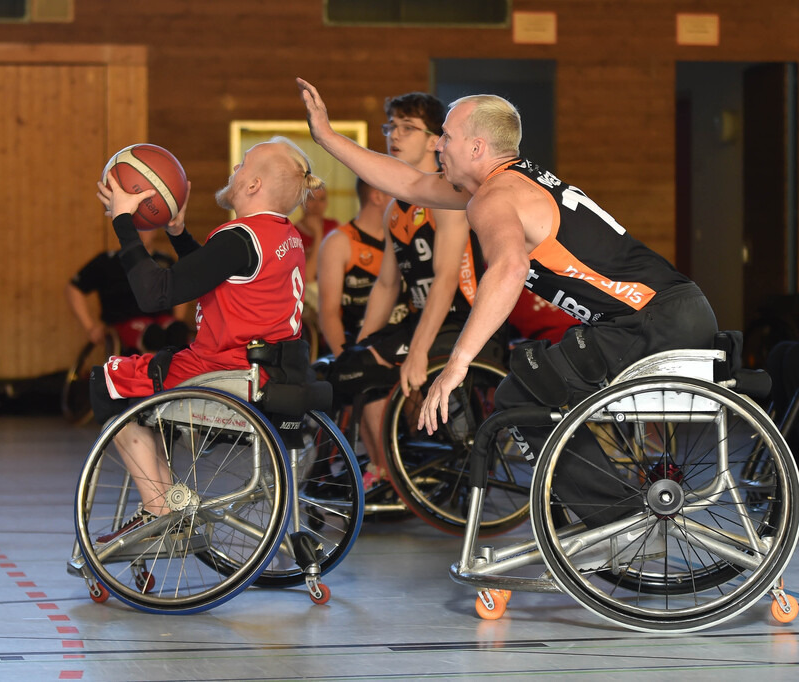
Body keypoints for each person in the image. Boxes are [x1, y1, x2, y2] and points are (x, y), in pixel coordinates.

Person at [297, 78, 718, 528]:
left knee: (521, 392)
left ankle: (619, 517)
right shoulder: (507, 182)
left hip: (652, 320)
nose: (439, 144)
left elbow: (510, 268)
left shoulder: (494, 198)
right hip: (668, 311)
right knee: (531, 385)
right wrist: (325, 136)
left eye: (448, 137)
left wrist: (458, 363)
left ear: (477, 148)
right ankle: (617, 508)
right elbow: (412, 182)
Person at [90, 136, 323, 523]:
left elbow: (155, 294)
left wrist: (124, 223)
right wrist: (179, 233)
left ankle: (158, 506)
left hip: (223, 371)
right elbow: (214, 274)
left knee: (108, 381)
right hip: (274, 373)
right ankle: (167, 500)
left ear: (253, 186)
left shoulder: (237, 238)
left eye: (243, 164)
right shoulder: (284, 235)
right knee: (147, 377)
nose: (235, 168)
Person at [325, 91, 498, 491]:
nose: (394, 135)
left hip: (464, 321)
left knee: (362, 367)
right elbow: (387, 284)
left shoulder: (448, 195)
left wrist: (417, 351)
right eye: (391, 127)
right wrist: (364, 339)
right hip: (428, 321)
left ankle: (393, 476)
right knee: (350, 366)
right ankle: (387, 469)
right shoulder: (395, 207)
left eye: (407, 128)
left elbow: (445, 280)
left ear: (436, 138)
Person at [65, 229, 193, 355]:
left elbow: (179, 288)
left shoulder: (164, 260)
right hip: (127, 322)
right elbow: (74, 288)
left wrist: (178, 317)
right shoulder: (107, 261)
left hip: (162, 319)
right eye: (134, 229)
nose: (140, 234)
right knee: (154, 335)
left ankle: (182, 372)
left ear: (154, 231)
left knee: (179, 330)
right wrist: (90, 327)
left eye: (145, 228)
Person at [316, 177, 402, 357]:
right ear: (377, 197)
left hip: (400, 344)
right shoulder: (339, 242)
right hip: (357, 344)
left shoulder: (402, 237)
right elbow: (328, 313)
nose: (403, 198)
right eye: (396, 193)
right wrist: (345, 359)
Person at [297, 185, 340, 283]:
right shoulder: (293, 233)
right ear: (301, 202)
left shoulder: (333, 227)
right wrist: (318, 234)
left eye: (322, 199)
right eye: (311, 199)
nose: (317, 205)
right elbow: (308, 277)